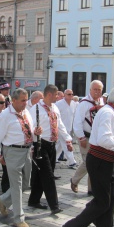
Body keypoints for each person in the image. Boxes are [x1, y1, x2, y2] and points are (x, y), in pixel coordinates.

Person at [62, 85, 114, 227]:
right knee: (102, 202)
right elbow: (104, 139)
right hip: (100, 161)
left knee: (107, 201)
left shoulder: (111, 112)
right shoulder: (108, 112)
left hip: (106, 161)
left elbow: (111, 133)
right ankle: (73, 226)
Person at [0, 88, 41, 227]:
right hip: (12, 151)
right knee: (17, 186)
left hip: (26, 151)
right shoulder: (5, 116)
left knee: (26, 183)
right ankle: (18, 218)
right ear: (13, 101)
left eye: (26, 100)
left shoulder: (26, 112)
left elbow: (29, 131)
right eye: (23, 100)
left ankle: (4, 200)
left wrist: (35, 133)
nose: (26, 103)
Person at [28, 85, 73, 214]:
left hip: (52, 144)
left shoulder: (55, 107)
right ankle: (54, 205)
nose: (59, 97)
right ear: (49, 95)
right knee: (48, 175)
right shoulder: (35, 109)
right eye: (56, 95)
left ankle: (34, 200)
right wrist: (34, 132)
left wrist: (68, 139)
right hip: (40, 144)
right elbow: (29, 127)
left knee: (40, 174)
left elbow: (60, 125)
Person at [71, 80, 104, 194]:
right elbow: (77, 122)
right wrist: (81, 137)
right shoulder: (84, 103)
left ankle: (91, 188)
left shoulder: (101, 102)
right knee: (88, 162)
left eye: (99, 89)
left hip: (98, 138)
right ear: (90, 90)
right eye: (95, 89)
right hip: (86, 137)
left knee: (94, 163)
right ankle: (74, 180)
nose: (97, 92)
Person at [55, 89, 78, 168]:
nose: (71, 96)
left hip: (69, 128)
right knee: (66, 144)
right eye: (69, 94)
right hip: (61, 128)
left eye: (72, 94)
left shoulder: (74, 104)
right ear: (64, 95)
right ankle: (72, 161)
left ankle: (54, 158)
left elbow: (75, 116)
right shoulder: (58, 104)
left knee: (59, 145)